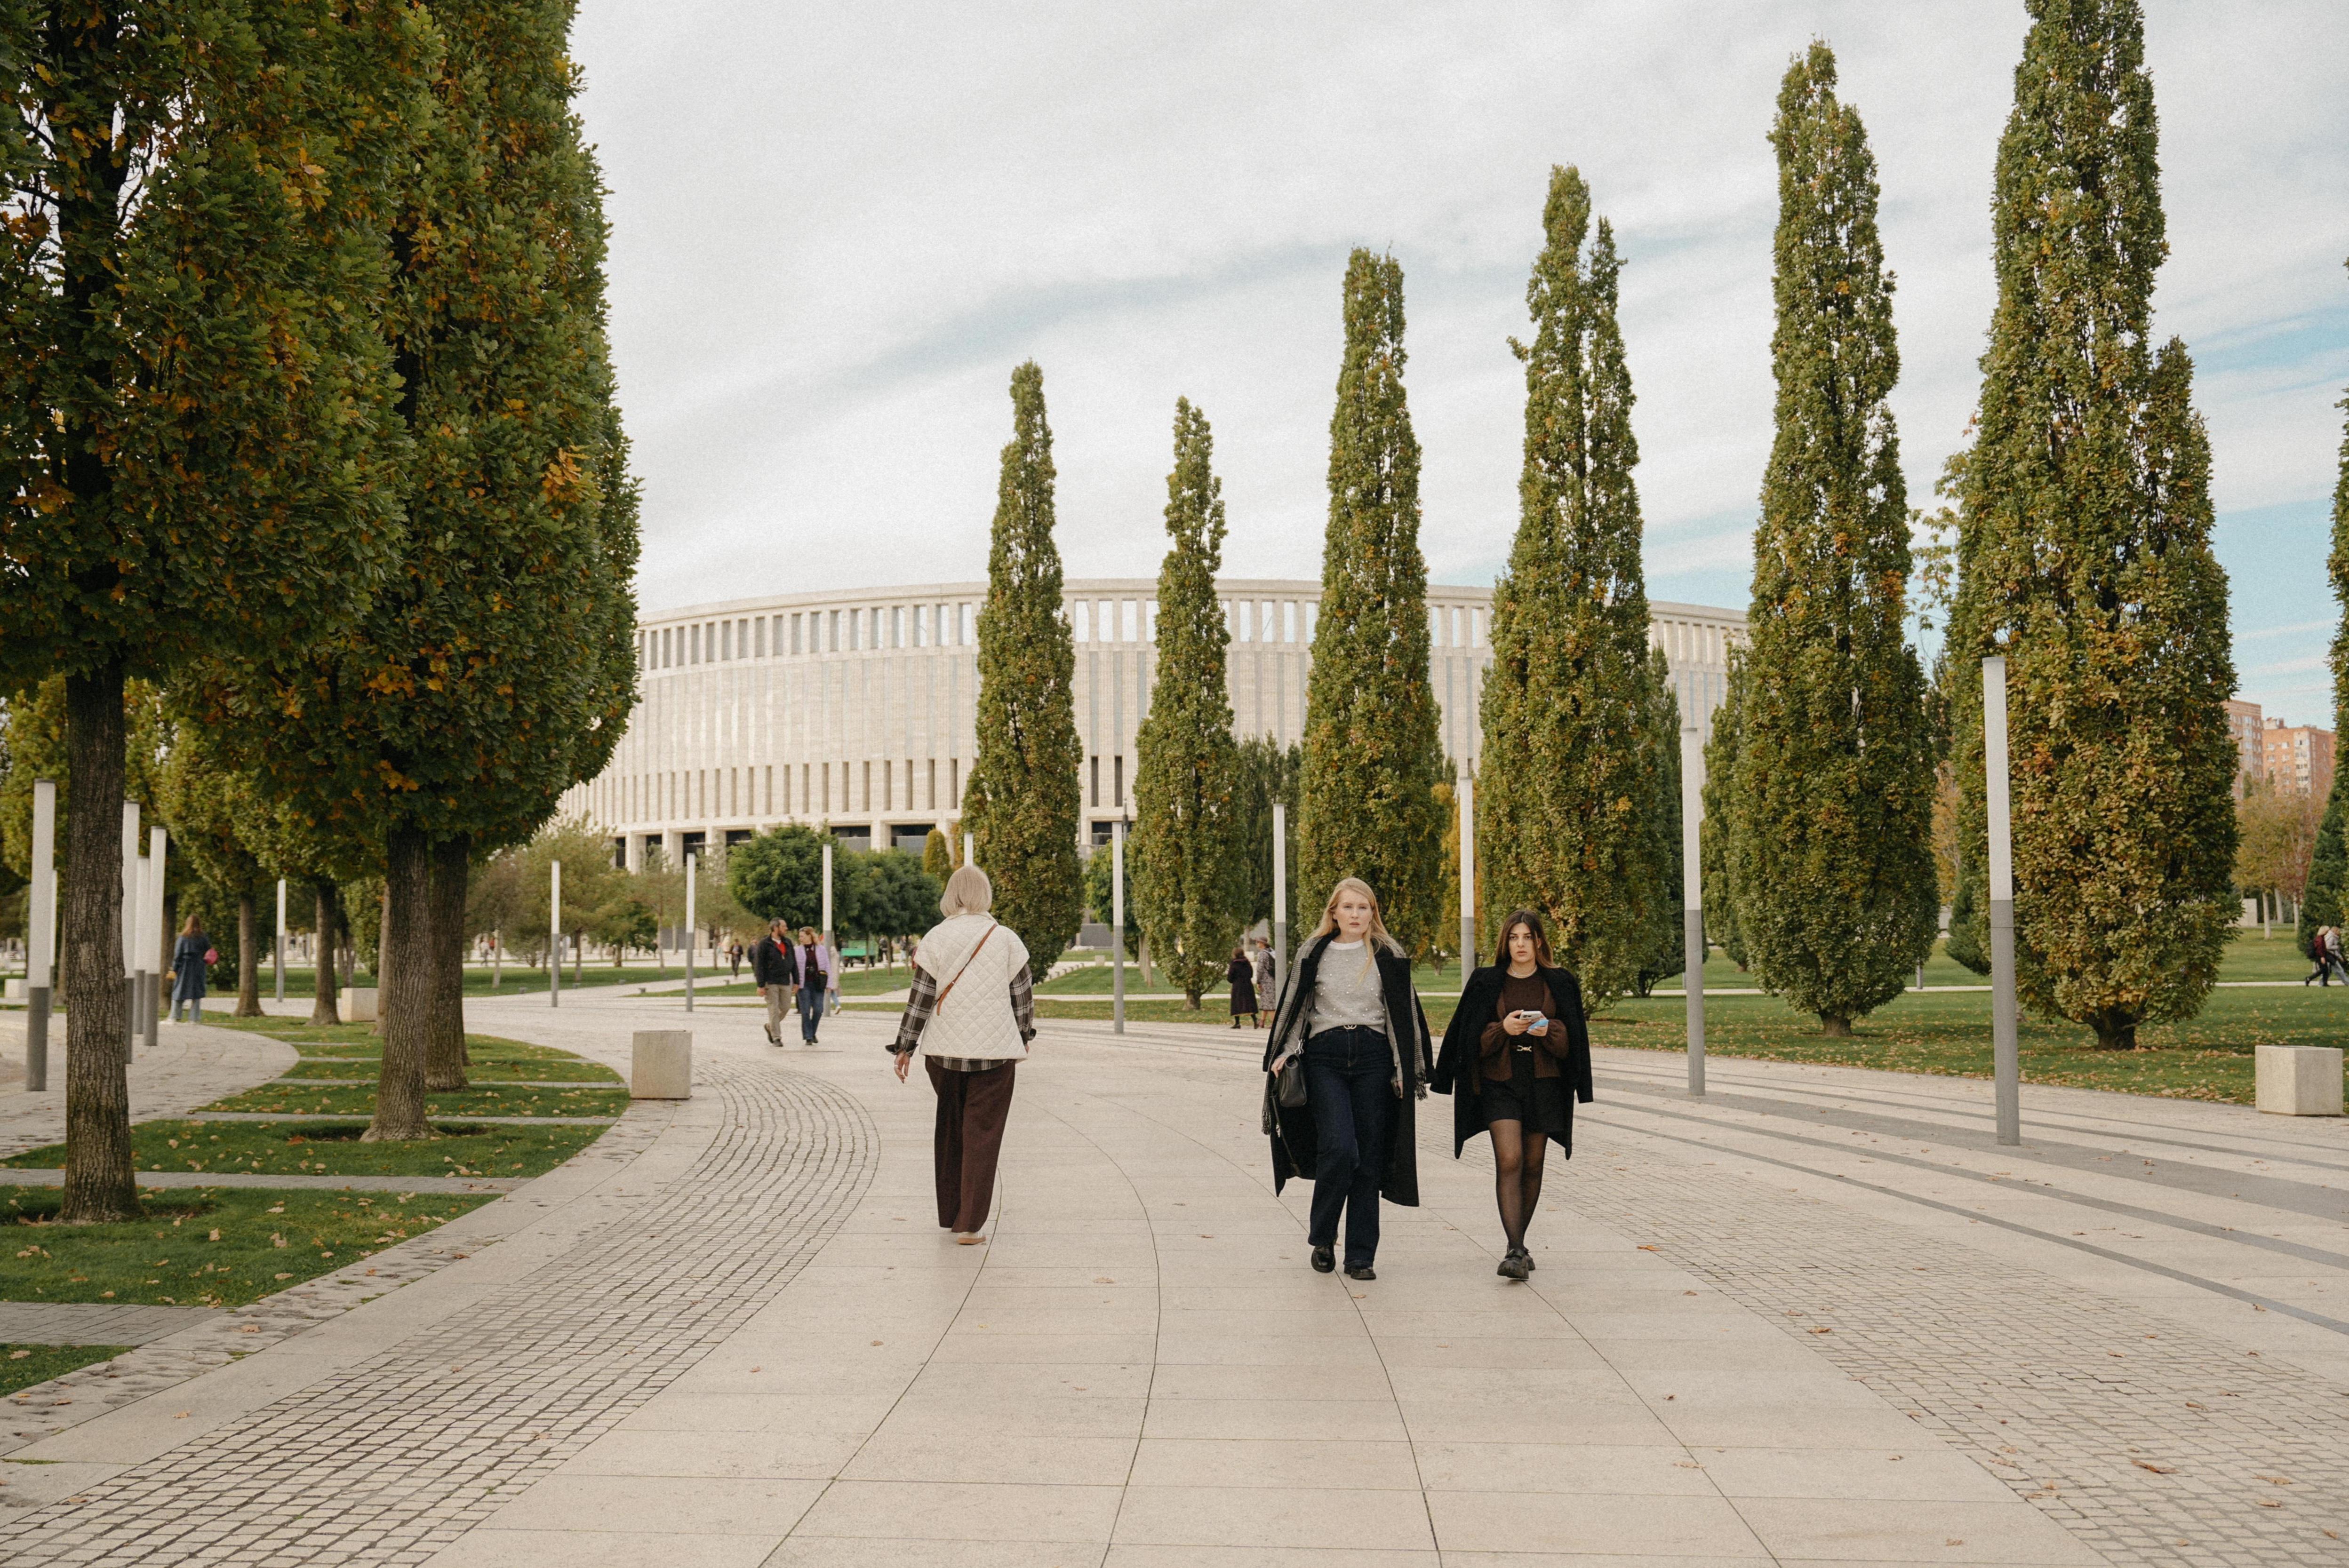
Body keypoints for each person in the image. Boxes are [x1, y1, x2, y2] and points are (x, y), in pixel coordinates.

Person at [1261, 877, 1434, 1281]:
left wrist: (1404, 1067)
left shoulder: (1388, 953)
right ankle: (1323, 1236)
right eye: (1348, 907)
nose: (1356, 914)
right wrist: (1283, 1052)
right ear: (1334, 912)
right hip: (1326, 1057)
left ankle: (1360, 1256)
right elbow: (1297, 1005)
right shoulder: (1313, 951)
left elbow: (1403, 1015)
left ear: (1373, 912)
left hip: (1374, 1058)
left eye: (1363, 907)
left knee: (1370, 1157)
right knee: (1339, 1147)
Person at [1430, 909, 1592, 1281]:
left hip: (1544, 1084)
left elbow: (1574, 1043)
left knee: (1533, 1164)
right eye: (1514, 937)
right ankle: (1516, 1250)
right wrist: (1503, 1028)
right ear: (1506, 942)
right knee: (1510, 1158)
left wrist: (1549, 1030)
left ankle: (1518, 1245)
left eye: (1527, 937)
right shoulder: (1486, 981)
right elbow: (1468, 1037)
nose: (1521, 944)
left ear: (1539, 941)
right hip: (1498, 1082)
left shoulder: (1560, 981)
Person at [891, 866, 1036, 1244]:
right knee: (982, 1136)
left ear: (951, 895)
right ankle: (970, 1224)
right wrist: (1023, 1034)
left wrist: (905, 1046)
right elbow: (1023, 996)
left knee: (951, 1130)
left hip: (944, 1054)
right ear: (985, 894)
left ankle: (951, 1211)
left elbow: (921, 997)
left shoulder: (935, 938)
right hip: (995, 1055)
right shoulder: (1006, 939)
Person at [751, 919, 795, 1044]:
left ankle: (770, 1026)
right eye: (784, 926)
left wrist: (796, 981)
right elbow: (759, 965)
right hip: (771, 981)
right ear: (776, 928)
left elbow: (794, 963)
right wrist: (760, 985)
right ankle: (777, 1037)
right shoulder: (765, 944)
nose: (786, 928)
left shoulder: (788, 942)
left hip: (785, 980)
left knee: (785, 1008)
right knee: (774, 1009)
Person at [791, 926, 835, 1043]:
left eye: (802, 936)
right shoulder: (797, 951)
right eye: (800, 937)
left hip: (818, 984)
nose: (800, 939)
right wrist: (794, 984)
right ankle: (808, 1037)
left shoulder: (821, 949)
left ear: (810, 936)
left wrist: (829, 985)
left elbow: (827, 967)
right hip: (804, 984)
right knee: (805, 1011)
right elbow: (794, 969)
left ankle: (812, 1032)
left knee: (818, 1010)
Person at [168, 915, 213, 1024]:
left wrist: (174, 969)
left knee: (179, 990)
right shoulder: (203, 937)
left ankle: (174, 1016)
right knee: (196, 993)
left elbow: (178, 955)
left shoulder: (183, 937)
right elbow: (209, 951)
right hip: (199, 966)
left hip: (185, 966)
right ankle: (194, 1019)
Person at [1227, 945, 1259, 1029]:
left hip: (1237, 985)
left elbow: (1230, 976)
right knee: (1249, 1002)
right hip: (1248, 984)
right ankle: (1255, 1020)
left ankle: (1237, 1023)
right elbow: (1251, 974)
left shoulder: (1234, 963)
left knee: (1236, 1003)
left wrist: (1232, 980)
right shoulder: (1247, 962)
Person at [1251, 938, 1276, 1027]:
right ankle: (1262, 1021)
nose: (1256, 943)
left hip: (1266, 980)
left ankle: (1273, 1023)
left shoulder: (1262, 954)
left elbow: (1260, 969)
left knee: (1270, 1003)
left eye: (1258, 942)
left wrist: (1258, 981)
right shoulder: (1272, 952)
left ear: (1263, 943)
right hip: (1273, 979)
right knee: (1266, 1001)